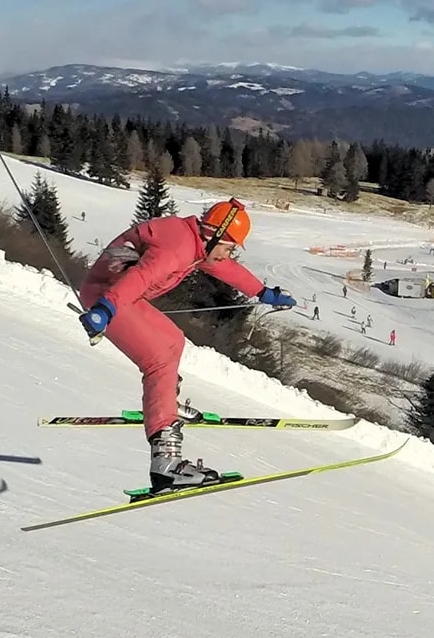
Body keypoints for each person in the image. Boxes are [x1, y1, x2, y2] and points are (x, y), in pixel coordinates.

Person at [76, 198, 296, 492]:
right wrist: (105, 311)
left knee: (173, 341)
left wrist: (262, 292)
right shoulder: (178, 247)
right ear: (215, 235)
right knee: (158, 361)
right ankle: (166, 465)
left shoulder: (194, 241)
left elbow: (224, 268)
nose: (229, 254)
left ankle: (163, 402)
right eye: (230, 247)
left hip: (118, 297)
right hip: (109, 297)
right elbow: (142, 277)